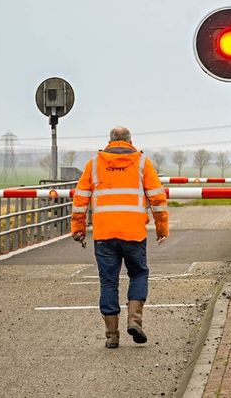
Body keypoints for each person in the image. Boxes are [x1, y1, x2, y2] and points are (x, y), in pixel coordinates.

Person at [72, 126, 169, 349]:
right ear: (130, 141)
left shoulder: (94, 164)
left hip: (104, 234)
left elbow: (80, 199)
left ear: (109, 141)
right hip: (134, 233)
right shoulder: (143, 163)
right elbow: (157, 196)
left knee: (108, 282)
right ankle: (134, 321)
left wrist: (77, 228)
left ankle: (111, 336)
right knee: (138, 273)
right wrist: (162, 227)